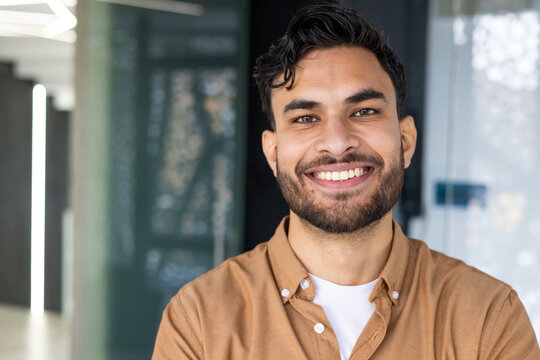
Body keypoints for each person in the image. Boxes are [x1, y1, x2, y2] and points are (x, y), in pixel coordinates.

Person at [152, 3, 540, 359]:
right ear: (273, 153)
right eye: (305, 118)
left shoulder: (489, 319)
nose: (337, 142)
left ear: (406, 142)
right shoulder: (200, 321)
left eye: (364, 110)